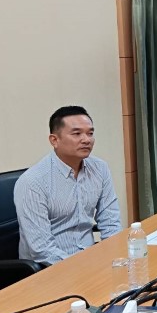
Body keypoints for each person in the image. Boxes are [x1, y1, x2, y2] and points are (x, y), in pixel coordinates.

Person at [15, 106, 121, 265]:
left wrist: (114, 257)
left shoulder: (100, 168)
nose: (86, 140)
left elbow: (110, 222)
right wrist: (84, 268)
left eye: (90, 133)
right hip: (49, 268)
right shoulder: (33, 182)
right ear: (54, 140)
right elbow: (41, 250)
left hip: (90, 259)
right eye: (77, 134)